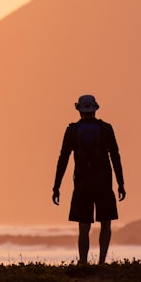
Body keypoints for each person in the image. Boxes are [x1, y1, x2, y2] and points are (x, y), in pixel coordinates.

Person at [52, 94, 126, 265]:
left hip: (82, 182)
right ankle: (101, 262)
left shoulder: (72, 130)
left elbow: (63, 158)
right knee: (105, 223)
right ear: (95, 108)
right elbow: (116, 156)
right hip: (104, 182)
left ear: (79, 110)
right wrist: (121, 183)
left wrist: (56, 186)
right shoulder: (106, 129)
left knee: (84, 226)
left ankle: (83, 263)